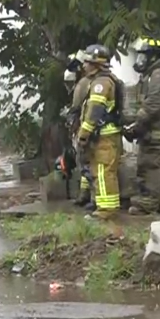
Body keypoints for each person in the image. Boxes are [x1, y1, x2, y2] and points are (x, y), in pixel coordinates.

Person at [124, 36, 160, 215]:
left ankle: (147, 203)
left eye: (143, 56)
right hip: (155, 127)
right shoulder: (152, 75)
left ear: (152, 57)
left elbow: (154, 103)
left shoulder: (158, 75)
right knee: (159, 163)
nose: (140, 60)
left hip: (158, 128)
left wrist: (136, 122)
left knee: (150, 163)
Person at [74, 44, 125, 219]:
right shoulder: (103, 80)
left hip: (105, 137)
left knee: (103, 172)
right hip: (105, 136)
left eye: (87, 62)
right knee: (101, 171)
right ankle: (104, 208)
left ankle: (107, 211)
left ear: (96, 64)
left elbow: (94, 112)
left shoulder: (101, 83)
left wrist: (83, 134)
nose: (83, 66)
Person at [63, 50, 95, 209]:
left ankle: (93, 199)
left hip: (87, 127)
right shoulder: (93, 81)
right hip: (88, 127)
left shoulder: (84, 83)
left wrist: (72, 121)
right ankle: (85, 195)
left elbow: (76, 107)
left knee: (88, 163)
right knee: (84, 162)